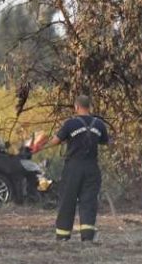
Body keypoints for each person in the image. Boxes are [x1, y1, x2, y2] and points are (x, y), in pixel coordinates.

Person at [32, 95, 109, 242]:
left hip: (73, 167)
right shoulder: (99, 124)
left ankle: (62, 235)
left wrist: (39, 146)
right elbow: (104, 142)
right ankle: (87, 237)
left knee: (67, 200)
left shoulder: (70, 124)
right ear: (90, 106)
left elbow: (55, 141)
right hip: (92, 168)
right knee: (89, 202)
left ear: (76, 107)